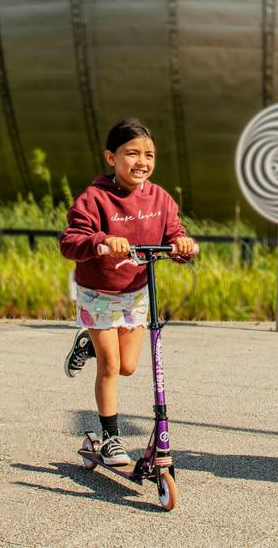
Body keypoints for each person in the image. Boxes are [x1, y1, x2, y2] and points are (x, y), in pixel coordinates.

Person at [59, 119, 197, 466]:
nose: (142, 162)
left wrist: (181, 244)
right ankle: (110, 438)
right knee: (109, 365)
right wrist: (101, 241)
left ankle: (86, 343)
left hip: (136, 292)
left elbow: (173, 233)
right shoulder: (94, 198)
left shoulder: (159, 198)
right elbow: (70, 242)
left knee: (129, 367)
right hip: (98, 292)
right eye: (131, 153)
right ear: (111, 157)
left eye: (149, 155)